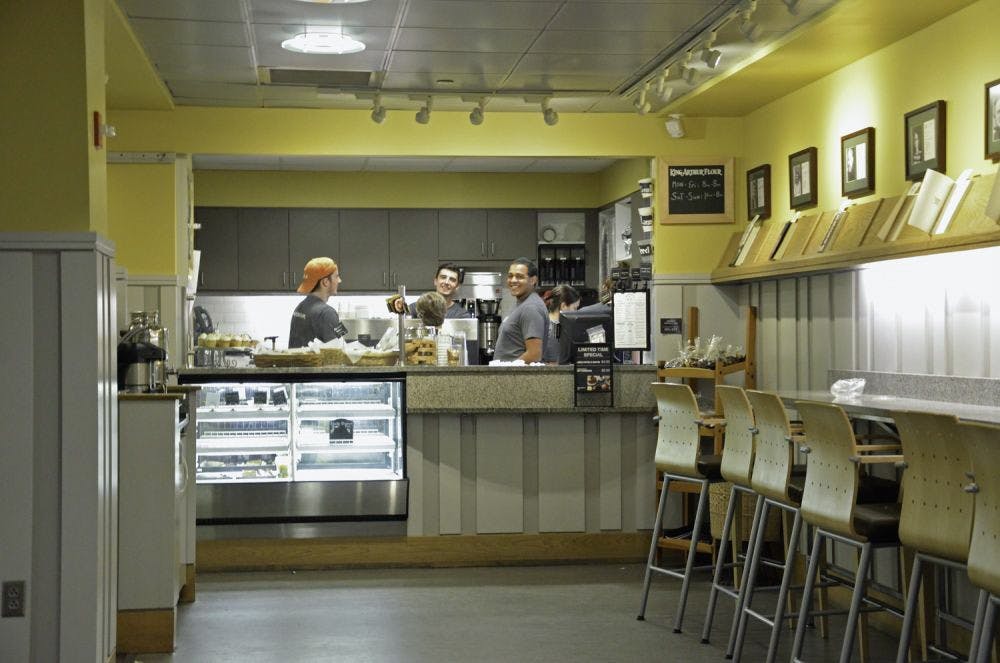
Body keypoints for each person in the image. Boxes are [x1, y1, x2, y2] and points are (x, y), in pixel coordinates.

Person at [492, 257, 548, 363]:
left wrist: (509, 371)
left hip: (515, 377)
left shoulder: (531, 308)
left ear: (533, 280)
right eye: (510, 276)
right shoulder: (522, 303)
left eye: (519, 277)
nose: (513, 280)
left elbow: (534, 354)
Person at [288, 257, 346, 348]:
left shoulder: (300, 307)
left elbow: (341, 334)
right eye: (336, 276)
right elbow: (340, 348)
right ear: (325, 282)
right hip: (319, 362)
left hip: (297, 362)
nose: (339, 280)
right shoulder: (327, 312)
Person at [391, 262, 472, 319]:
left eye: (452, 279)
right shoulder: (418, 307)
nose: (447, 282)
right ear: (435, 281)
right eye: (443, 277)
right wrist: (398, 306)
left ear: (457, 286)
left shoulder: (461, 315)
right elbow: (402, 314)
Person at [541, 285, 581, 363]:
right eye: (574, 308)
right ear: (563, 306)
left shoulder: (548, 322)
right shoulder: (556, 328)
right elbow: (554, 362)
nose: (576, 313)